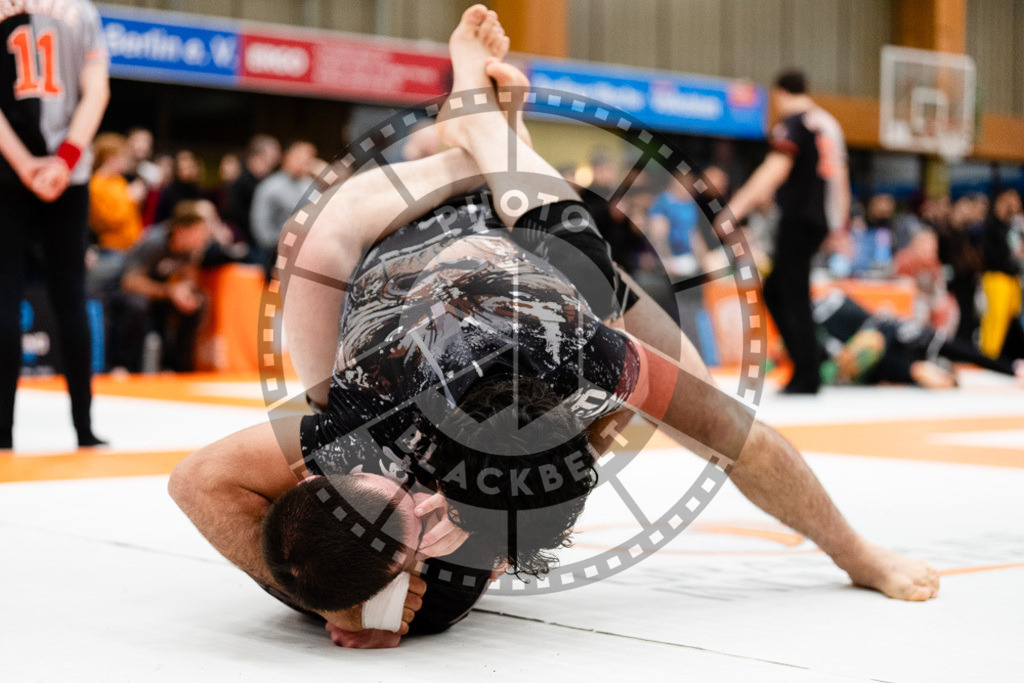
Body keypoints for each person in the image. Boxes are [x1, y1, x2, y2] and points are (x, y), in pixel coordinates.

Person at [171, 7, 937, 650]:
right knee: (319, 250)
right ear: (325, 473)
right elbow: (195, 482)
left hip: (516, 257)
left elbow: (742, 441)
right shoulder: (346, 429)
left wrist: (857, 552)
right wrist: (322, 591)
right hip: (394, 257)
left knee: (505, 185)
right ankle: (471, 126)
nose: (436, 504)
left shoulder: (580, 314)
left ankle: (476, 118)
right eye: (422, 512)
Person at [0, 0, 110, 450]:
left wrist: (25, 164)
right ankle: (83, 429)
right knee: (70, 295)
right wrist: (64, 161)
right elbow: (97, 91)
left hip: (7, 170)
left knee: (4, 294)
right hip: (69, 173)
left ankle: (1, 434)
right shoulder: (81, 9)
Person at [722, 69, 850, 394]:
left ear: (779, 94)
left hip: (798, 218)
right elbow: (839, 178)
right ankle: (812, 358)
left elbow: (775, 168)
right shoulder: (828, 125)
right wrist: (839, 223)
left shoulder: (794, 123)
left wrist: (735, 208)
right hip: (818, 218)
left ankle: (808, 372)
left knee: (791, 294)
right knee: (780, 290)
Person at [814, 288, 1021, 388]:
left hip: (876, 338)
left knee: (878, 346)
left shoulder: (895, 341)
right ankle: (1011, 368)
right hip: (877, 338)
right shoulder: (900, 339)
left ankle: (1011, 368)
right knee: (881, 346)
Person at [117, 211, 209, 372]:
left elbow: (189, 277)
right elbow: (129, 282)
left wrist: (186, 292)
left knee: (195, 305)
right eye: (199, 233)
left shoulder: (190, 250)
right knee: (138, 305)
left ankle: (177, 367)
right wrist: (169, 291)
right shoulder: (154, 242)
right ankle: (123, 365)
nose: (203, 239)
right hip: (133, 292)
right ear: (182, 231)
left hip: (163, 294)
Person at [250, 141, 318, 274]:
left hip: (306, 252)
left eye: (310, 158)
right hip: (275, 254)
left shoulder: (310, 185)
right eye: (301, 158)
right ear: (288, 157)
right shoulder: (270, 187)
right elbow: (261, 227)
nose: (306, 162)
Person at [979, 188, 1024, 360]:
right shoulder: (991, 224)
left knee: (1011, 319)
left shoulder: (1012, 225)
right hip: (996, 277)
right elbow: (993, 254)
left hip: (1012, 278)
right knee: (995, 319)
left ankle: (1006, 354)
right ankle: (989, 356)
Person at [224, 134, 281, 252]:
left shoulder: (267, 179)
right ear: (260, 153)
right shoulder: (242, 180)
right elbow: (233, 211)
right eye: (274, 150)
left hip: (261, 240)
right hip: (248, 242)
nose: (278, 155)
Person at [153, 150, 203, 223]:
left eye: (189, 166)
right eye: (182, 167)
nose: (186, 169)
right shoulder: (168, 192)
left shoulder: (199, 191)